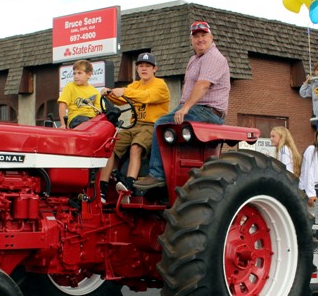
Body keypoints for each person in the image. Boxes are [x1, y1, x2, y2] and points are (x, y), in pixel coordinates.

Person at [135, 20, 230, 190]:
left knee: (161, 124)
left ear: (211, 37)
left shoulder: (214, 57)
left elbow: (203, 85)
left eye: (203, 35)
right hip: (195, 108)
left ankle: (157, 175)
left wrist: (185, 108)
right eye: (196, 36)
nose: (200, 39)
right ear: (191, 40)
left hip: (208, 111)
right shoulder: (194, 59)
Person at [98, 53, 171, 198]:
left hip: (152, 126)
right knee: (110, 145)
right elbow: (121, 100)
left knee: (136, 147)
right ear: (137, 69)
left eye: (147, 66)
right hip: (134, 125)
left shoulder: (160, 85)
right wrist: (109, 93)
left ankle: (129, 186)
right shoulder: (135, 85)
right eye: (141, 66)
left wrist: (124, 91)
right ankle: (103, 188)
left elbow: (146, 96)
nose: (144, 69)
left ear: (154, 69)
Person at [57, 59, 101, 129]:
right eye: (74, 73)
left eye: (79, 73)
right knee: (85, 122)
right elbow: (62, 104)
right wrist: (63, 124)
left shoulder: (95, 91)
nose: (76, 76)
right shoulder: (70, 87)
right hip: (76, 118)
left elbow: (99, 111)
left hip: (92, 120)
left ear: (89, 75)